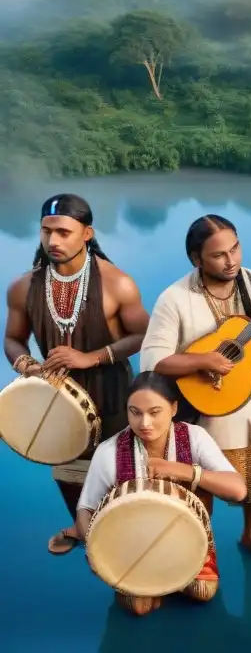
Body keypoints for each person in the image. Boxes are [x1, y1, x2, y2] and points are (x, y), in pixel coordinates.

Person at [140, 214, 251, 566]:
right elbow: (152, 363)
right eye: (219, 254)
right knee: (201, 488)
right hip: (206, 421)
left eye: (235, 248)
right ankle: (201, 548)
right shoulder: (175, 299)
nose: (231, 260)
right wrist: (202, 361)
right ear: (196, 259)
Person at [3, 194, 150, 555]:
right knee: (68, 473)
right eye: (46, 231)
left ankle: (126, 542)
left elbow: (145, 334)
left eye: (64, 232)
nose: (53, 241)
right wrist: (28, 367)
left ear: (87, 233)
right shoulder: (23, 287)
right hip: (55, 399)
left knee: (122, 474)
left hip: (113, 397)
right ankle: (84, 527)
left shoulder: (118, 284)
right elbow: (12, 340)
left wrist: (91, 358)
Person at [76, 371, 247, 616]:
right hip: (132, 546)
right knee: (139, 607)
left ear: (174, 408)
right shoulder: (109, 450)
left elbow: (238, 490)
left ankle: (168, 576)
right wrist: (95, 549)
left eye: (154, 412)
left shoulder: (194, 437)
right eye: (135, 412)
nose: (144, 423)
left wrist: (184, 471)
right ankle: (148, 581)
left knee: (203, 591)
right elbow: (86, 508)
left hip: (187, 539)